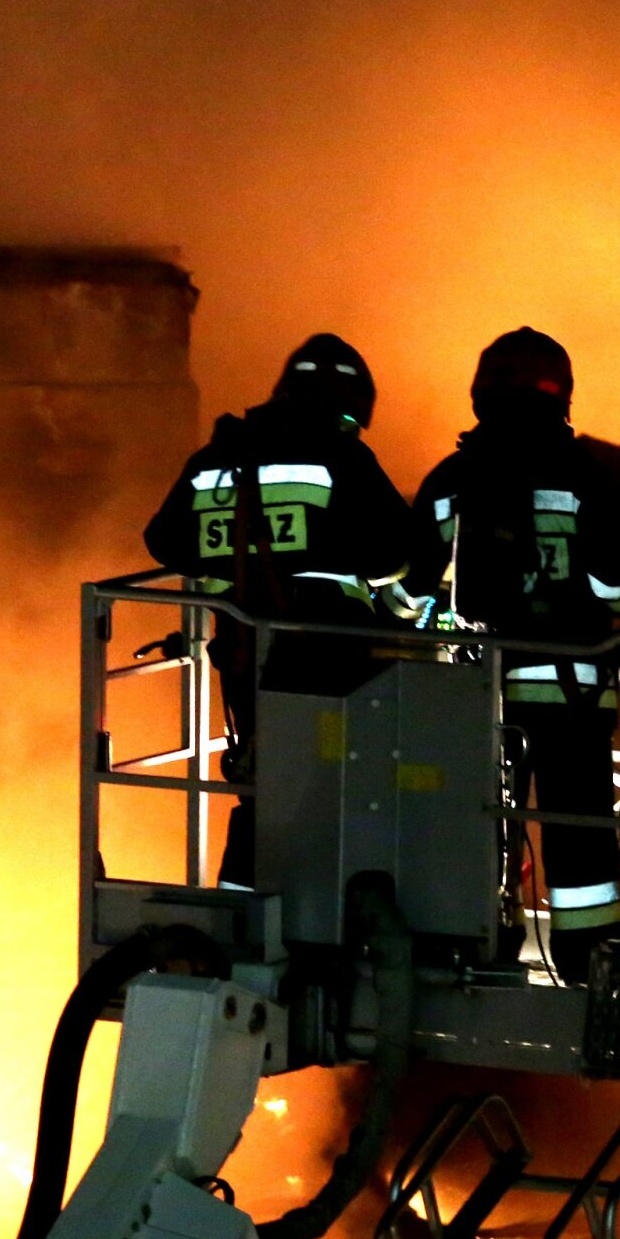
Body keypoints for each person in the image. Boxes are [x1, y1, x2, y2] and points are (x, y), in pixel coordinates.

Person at [400, 328, 620, 982]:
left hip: (470, 689)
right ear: (561, 394)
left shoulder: (449, 480)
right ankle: (587, 961)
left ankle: (479, 942)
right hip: (569, 690)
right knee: (576, 829)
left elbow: (408, 591)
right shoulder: (589, 480)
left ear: (481, 392)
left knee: (473, 820)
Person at [142, 333, 418, 884]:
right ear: (353, 407)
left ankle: (241, 903)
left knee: (263, 784)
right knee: (333, 781)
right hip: (326, 651)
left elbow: (164, 541)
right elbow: (397, 552)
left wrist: (227, 567)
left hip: (243, 649)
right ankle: (328, 897)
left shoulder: (218, 457)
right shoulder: (344, 455)